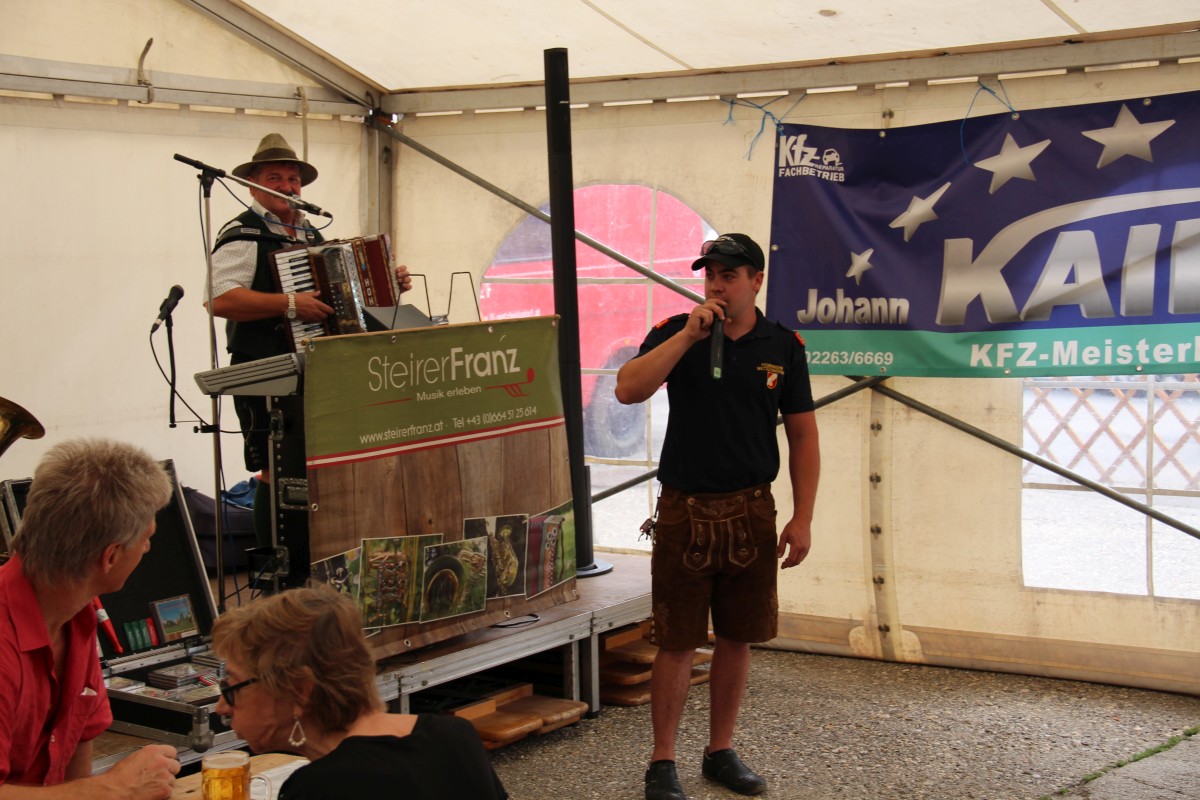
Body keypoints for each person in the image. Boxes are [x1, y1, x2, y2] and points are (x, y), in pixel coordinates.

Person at [614, 233, 820, 800]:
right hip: (684, 511)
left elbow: (803, 435)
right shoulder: (676, 332)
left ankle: (720, 751)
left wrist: (803, 517)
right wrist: (688, 335)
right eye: (710, 274)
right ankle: (662, 761)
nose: (717, 285)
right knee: (676, 639)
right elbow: (627, 390)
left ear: (756, 281)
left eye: (729, 275)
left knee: (737, 637)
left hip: (752, 509)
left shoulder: (783, 345)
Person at [205, 133, 414, 548]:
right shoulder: (244, 234)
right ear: (252, 185)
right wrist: (288, 304)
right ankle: (275, 560)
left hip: (314, 368)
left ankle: (311, 554)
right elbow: (220, 300)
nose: (287, 187)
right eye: (275, 178)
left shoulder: (312, 235)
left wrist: (388, 284)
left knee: (311, 465)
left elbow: (339, 301)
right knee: (273, 466)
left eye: (293, 179)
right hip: (263, 368)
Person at [0, 438, 181, 797]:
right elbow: (91, 791)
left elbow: (75, 770)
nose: (148, 548)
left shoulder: (78, 616)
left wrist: (100, 791)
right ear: (110, 556)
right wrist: (111, 789)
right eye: (146, 538)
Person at [210, 585, 508, 800]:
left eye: (232, 687)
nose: (221, 706)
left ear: (299, 690)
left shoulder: (321, 788)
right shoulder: (455, 736)